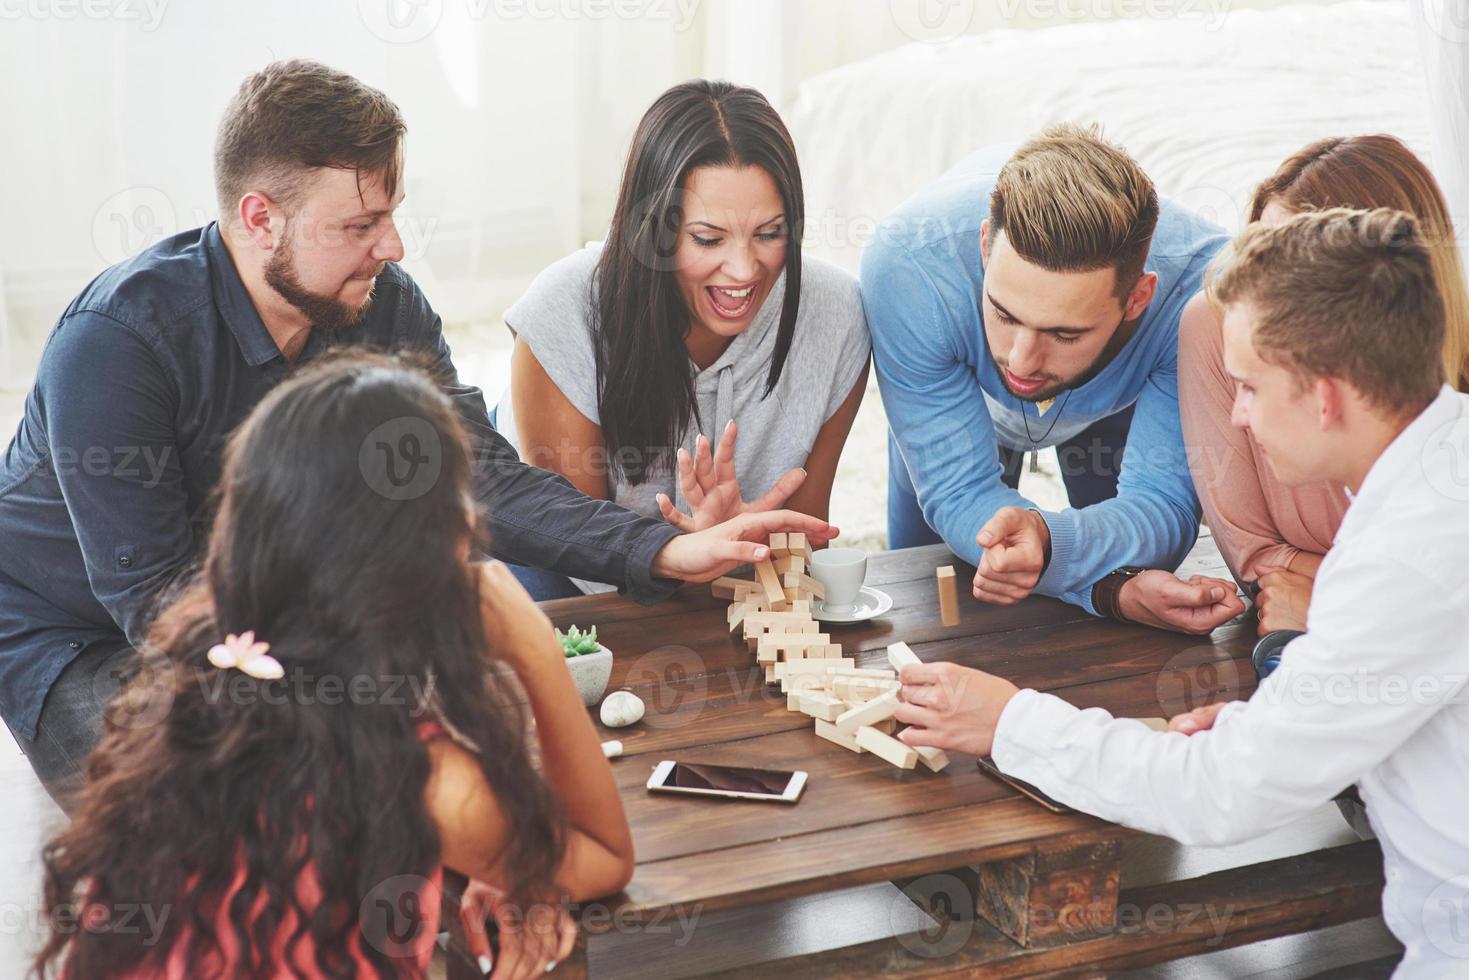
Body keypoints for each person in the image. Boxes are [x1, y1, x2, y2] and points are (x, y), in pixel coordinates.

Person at [0, 60, 834, 807]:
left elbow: (481, 478)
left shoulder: (381, 303)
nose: (391, 248)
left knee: (440, 766)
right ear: (260, 219)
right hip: (77, 631)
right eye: (360, 226)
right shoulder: (117, 343)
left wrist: (660, 551)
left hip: (276, 602)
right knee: (230, 812)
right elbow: (157, 606)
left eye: (391, 216)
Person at [895, 208, 1469, 977]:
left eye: (1249, 386)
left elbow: (1218, 797)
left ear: (1325, 397)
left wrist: (1006, 721)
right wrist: (1283, 714)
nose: (1234, 415)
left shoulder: (1404, 556)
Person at [31, 352, 619, 978]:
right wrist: (533, 646)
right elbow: (605, 855)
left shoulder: (204, 689)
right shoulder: (413, 772)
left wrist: (488, 854)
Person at [496, 80, 869, 598]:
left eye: (770, 233)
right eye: (708, 239)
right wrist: (690, 552)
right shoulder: (561, 313)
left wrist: (740, 549)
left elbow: (801, 556)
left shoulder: (838, 314)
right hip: (553, 562)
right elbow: (578, 555)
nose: (744, 269)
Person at [863, 123, 1241, 629]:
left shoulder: (1205, 296)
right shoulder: (909, 270)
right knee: (925, 605)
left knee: (1142, 580)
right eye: (1003, 313)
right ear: (983, 247)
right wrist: (1104, 587)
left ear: (1138, 299)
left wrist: (1052, 542)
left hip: (1115, 406)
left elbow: (1163, 510)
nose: (1020, 362)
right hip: (960, 386)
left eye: (1064, 334)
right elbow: (957, 493)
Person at [1142, 135, 1468, 636]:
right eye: (1263, 251)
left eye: (1298, 258)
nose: (1271, 285)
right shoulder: (1216, 326)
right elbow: (1253, 557)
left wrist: (1331, 607)